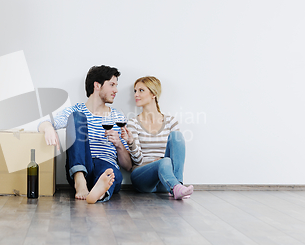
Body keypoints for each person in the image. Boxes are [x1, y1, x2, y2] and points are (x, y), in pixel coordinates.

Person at [39, 65, 132, 203]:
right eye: (112, 84)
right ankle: (80, 181)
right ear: (97, 85)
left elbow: (128, 166)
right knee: (76, 116)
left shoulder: (118, 116)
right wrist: (48, 128)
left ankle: (99, 193)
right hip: (83, 167)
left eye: (116, 85)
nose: (116, 90)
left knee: (111, 173)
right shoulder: (76, 111)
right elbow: (45, 122)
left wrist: (119, 144)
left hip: (106, 164)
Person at [121, 76, 193, 200]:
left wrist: (162, 163)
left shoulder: (170, 121)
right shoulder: (133, 123)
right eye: (135, 91)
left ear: (153, 94)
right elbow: (137, 162)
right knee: (164, 161)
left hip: (165, 181)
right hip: (143, 179)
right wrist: (131, 142)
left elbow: (176, 156)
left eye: (141, 90)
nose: (136, 95)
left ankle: (177, 186)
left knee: (177, 136)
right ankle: (176, 187)